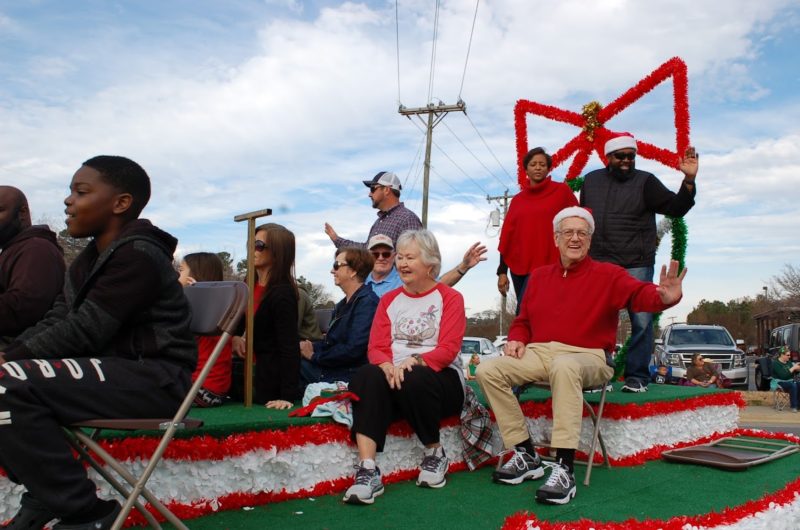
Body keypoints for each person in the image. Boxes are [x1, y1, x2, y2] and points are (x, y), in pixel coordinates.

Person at [0, 156, 196, 529]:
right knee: (6, 375)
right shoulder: (87, 261)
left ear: (120, 203)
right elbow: (57, 320)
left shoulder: (138, 254)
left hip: (156, 379)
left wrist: (10, 357)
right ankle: (44, 493)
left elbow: (87, 329)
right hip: (115, 374)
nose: (68, 201)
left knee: (5, 383)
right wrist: (8, 353)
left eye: (81, 191)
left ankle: (87, 513)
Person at [476, 206, 686, 505]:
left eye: (582, 233)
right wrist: (516, 339)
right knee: (489, 370)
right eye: (568, 233)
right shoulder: (538, 277)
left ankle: (563, 467)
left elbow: (640, 295)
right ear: (556, 238)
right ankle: (525, 453)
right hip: (539, 352)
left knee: (564, 366)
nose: (575, 238)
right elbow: (523, 320)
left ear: (589, 240)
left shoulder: (609, 274)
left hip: (588, 356)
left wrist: (664, 298)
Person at [343, 229, 466, 505]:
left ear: (431, 264)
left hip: (438, 380)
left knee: (414, 375)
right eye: (400, 257)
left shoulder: (450, 298)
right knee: (366, 375)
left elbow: (448, 349)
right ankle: (367, 470)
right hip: (396, 375)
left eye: (410, 257)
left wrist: (416, 361)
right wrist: (386, 365)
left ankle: (435, 453)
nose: (402, 263)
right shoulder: (389, 300)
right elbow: (376, 346)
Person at [580, 132, 698, 394]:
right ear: (608, 157)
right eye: (620, 156)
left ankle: (637, 378)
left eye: (630, 157)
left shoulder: (646, 181)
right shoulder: (591, 181)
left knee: (642, 321)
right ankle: (598, 376)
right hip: (599, 262)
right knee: (597, 320)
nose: (626, 161)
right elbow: (583, 220)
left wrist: (688, 180)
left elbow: (676, 207)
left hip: (637, 262)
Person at [497, 147, 578, 312]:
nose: (538, 167)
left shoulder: (562, 192)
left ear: (549, 168)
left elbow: (579, 220)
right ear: (526, 169)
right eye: (533, 164)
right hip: (520, 267)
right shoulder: (518, 200)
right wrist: (502, 271)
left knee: (529, 310)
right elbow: (508, 237)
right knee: (528, 313)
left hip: (551, 263)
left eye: (542, 164)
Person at [231, 223, 300, 409]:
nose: (253, 250)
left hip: (267, 383)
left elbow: (289, 348)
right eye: (251, 244)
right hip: (243, 377)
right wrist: (236, 335)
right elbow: (239, 318)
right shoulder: (248, 283)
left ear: (277, 252)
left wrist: (287, 396)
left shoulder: (283, 294)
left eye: (259, 245)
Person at [299, 247, 379, 387]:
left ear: (353, 271)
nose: (332, 270)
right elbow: (331, 344)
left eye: (337, 266)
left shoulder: (367, 303)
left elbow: (353, 350)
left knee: (288, 364)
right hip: (331, 368)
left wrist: (313, 356)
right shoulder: (342, 305)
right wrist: (310, 346)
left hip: (345, 375)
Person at [0, 186, 66, 347]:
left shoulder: (36, 248)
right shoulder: (14, 249)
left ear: (22, 212)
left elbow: (24, 307)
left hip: (16, 352)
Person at [178, 252, 233, 407]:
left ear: (191, 279)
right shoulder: (222, 306)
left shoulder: (194, 306)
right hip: (217, 390)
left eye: (181, 270)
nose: (177, 275)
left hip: (200, 387)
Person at [365, 233, 487, 298]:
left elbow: (438, 285)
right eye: (375, 254)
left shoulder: (407, 279)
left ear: (393, 255)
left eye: (386, 254)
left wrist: (463, 266)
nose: (381, 258)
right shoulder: (359, 281)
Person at [324, 171, 422, 249]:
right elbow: (366, 250)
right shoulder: (379, 222)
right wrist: (336, 239)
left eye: (373, 189)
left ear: (387, 190)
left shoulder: (408, 219)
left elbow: (414, 259)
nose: (369, 194)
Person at [771, 348, 800, 412]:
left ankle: (798, 405)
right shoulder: (776, 364)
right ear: (782, 355)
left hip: (789, 381)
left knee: (798, 384)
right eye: (788, 355)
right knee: (793, 385)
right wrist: (793, 367)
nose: (789, 357)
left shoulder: (789, 363)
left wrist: (797, 370)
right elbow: (783, 376)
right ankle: (794, 406)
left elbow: (793, 373)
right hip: (779, 382)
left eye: (790, 355)